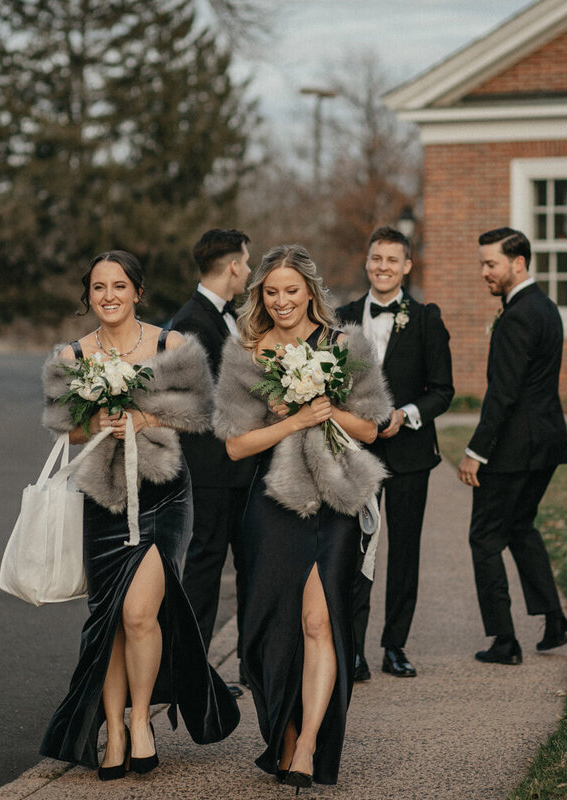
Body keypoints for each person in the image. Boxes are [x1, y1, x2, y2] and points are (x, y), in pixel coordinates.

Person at [38, 251, 240, 780]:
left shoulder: (171, 345)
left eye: (119, 286)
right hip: (103, 500)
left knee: (139, 614)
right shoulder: (73, 354)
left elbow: (201, 411)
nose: (109, 295)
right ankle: (114, 730)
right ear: (89, 295)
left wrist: (143, 415)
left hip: (164, 495)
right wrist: (95, 419)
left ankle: (142, 720)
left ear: (137, 292)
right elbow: (63, 426)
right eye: (99, 287)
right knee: (108, 622)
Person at [212, 244, 391, 789]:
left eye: (292, 290)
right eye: (272, 292)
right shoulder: (246, 351)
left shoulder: (345, 344)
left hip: (334, 502)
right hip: (272, 506)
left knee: (320, 623)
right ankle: (282, 736)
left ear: (311, 291)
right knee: (269, 631)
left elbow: (372, 428)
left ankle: (309, 743)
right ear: (259, 296)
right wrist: (290, 421)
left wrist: (325, 408)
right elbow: (236, 446)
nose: (283, 301)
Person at [336, 226, 454, 681]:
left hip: (410, 457)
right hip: (355, 455)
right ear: (367, 263)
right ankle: (354, 650)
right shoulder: (342, 318)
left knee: (404, 551)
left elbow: (443, 391)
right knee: (353, 550)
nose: (382, 266)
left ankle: (395, 646)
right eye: (376, 258)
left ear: (407, 266)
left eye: (392, 260)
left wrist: (406, 413)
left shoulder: (425, 318)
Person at [457, 228, 567, 665]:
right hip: (546, 443)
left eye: (491, 264)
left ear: (518, 263)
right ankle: (555, 622)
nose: (484, 272)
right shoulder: (545, 307)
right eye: (483, 264)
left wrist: (476, 450)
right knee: (521, 527)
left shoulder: (518, 316)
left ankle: (504, 641)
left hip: (512, 450)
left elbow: (503, 394)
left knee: (484, 537)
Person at [168, 230, 256, 697]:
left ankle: (252, 660)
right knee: (204, 566)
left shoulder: (227, 318)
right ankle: (193, 672)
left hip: (238, 469)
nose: (248, 267)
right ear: (233, 267)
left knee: (249, 564)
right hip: (213, 469)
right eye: (246, 260)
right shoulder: (192, 323)